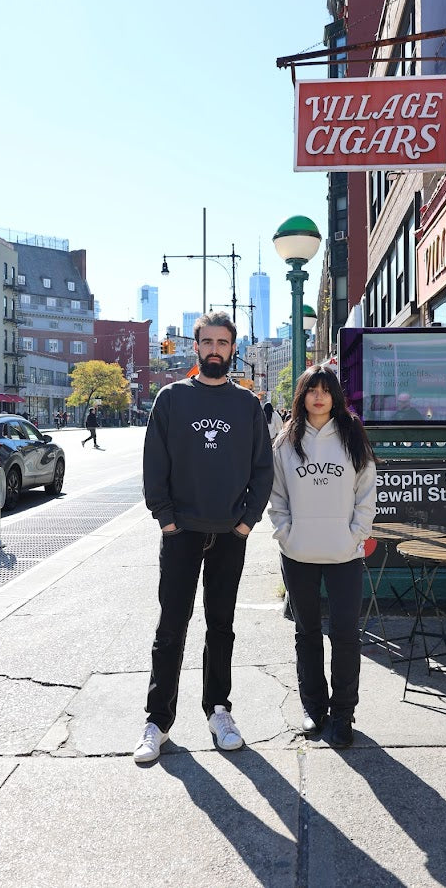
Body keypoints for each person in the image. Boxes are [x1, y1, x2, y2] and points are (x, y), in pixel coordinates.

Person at [134, 311, 274, 763]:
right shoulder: (172, 399)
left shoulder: (247, 405)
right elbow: (154, 464)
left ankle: (218, 710)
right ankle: (158, 721)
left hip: (230, 534)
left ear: (233, 349)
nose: (215, 350)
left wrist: (247, 522)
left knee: (221, 627)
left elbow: (262, 469)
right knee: (171, 627)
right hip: (181, 534)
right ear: (195, 347)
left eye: (223, 343)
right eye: (207, 342)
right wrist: (167, 520)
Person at [268, 365, 377, 748]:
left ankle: (343, 714)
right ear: (302, 396)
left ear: (335, 395)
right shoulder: (285, 441)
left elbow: (366, 491)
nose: (318, 396)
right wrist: (286, 534)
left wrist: (355, 535)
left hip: (344, 554)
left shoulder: (351, 436)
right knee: (307, 633)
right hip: (298, 553)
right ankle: (314, 709)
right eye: (311, 389)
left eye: (325, 390)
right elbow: (276, 495)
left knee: (345, 635)